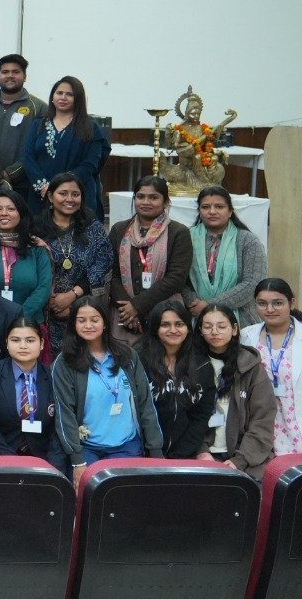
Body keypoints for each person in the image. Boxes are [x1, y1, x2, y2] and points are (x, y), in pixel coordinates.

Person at [54, 295, 165, 478]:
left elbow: (146, 404)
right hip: (87, 449)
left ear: (105, 323)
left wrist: (155, 451)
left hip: (127, 446)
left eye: (94, 320)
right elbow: (64, 413)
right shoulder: (65, 362)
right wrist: (77, 460)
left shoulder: (127, 355)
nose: (88, 325)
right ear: (73, 324)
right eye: (81, 320)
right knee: (90, 495)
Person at [109, 176, 193, 342]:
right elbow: (111, 273)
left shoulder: (178, 232)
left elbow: (176, 278)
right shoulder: (119, 229)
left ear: (166, 201)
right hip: (123, 313)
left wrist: (137, 306)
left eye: (153, 197)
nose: (146, 202)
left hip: (165, 311)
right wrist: (127, 309)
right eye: (140, 197)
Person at [36, 172, 112, 354]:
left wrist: (72, 297)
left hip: (84, 308)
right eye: (63, 193)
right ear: (50, 196)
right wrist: (50, 301)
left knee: (82, 359)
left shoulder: (93, 228)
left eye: (75, 194)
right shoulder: (36, 228)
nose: (69, 199)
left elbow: (103, 262)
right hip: (44, 309)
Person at [0, 317, 65, 470]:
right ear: (7, 343)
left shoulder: (53, 376)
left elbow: (59, 426)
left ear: (42, 344)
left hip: (44, 461)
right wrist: (12, 462)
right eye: (15, 340)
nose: (23, 346)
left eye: (30, 340)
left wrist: (51, 466)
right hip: (1, 460)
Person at [199, 304, 275, 479]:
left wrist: (240, 460)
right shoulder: (191, 364)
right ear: (200, 331)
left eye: (221, 326)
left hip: (244, 459)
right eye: (208, 326)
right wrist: (201, 451)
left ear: (234, 329)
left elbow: (262, 419)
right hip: (202, 456)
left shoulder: (251, 366)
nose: (214, 332)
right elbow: (185, 416)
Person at [22, 76, 110, 218]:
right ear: (53, 97)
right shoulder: (38, 124)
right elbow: (28, 158)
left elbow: (91, 163)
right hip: (42, 195)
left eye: (69, 94)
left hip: (76, 196)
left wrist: (63, 187)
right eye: (59, 93)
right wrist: (44, 186)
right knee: (41, 230)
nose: (63, 97)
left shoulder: (90, 127)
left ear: (78, 99)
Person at [138, 300, 216, 458]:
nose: (173, 330)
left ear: (188, 327)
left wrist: (181, 454)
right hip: (143, 452)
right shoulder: (139, 360)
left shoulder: (201, 364)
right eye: (165, 324)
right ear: (155, 328)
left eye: (179, 324)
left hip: (185, 453)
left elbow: (202, 414)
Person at [184, 186, 268, 327]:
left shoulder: (247, 240)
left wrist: (210, 306)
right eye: (205, 207)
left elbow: (253, 282)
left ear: (230, 211)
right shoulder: (185, 237)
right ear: (199, 211)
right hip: (194, 315)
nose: (212, 211)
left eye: (219, 206)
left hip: (240, 318)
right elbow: (177, 278)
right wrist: (193, 302)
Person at [240, 279, 302, 455]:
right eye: (262, 303)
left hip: (295, 421)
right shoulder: (246, 336)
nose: (269, 309)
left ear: (291, 302)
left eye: (277, 303)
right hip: (259, 421)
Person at [0, 54, 47, 193]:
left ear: (25, 76)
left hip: (25, 185)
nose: (10, 76)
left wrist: (11, 174)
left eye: (16, 72)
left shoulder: (40, 109)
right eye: (5, 72)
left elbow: (41, 149)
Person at [0, 193, 54, 324]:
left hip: (30, 322)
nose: (4, 213)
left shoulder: (36, 247)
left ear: (21, 214)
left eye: (11, 209)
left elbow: (44, 287)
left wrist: (20, 316)